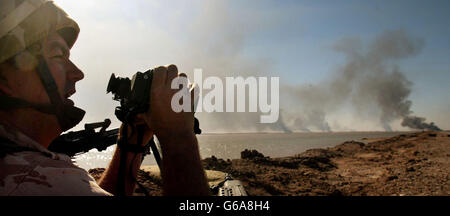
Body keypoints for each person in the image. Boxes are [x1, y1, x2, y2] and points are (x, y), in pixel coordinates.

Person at [0, 0, 210, 196]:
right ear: (5, 79)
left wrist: (131, 142)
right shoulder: (39, 180)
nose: (77, 73)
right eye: (57, 56)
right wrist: (178, 135)